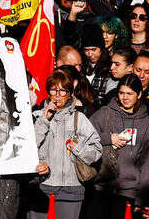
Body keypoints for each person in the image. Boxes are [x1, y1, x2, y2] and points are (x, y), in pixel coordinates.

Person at [31, 70, 104, 219]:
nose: (57, 95)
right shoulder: (36, 117)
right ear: (48, 92)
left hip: (71, 189)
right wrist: (44, 121)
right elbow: (27, 147)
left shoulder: (79, 118)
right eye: (53, 89)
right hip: (41, 187)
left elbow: (97, 151)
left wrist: (79, 148)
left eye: (63, 91)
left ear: (70, 93)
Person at [89, 75, 149, 219]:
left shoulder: (147, 123)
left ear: (139, 94)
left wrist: (141, 199)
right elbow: (85, 137)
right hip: (101, 188)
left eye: (130, 93)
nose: (125, 97)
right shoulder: (104, 113)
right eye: (121, 93)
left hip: (128, 192)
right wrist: (108, 138)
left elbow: (148, 164)